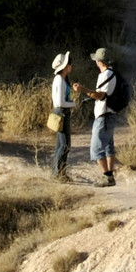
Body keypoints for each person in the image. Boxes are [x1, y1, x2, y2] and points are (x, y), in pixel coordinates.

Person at [88, 45, 124, 187]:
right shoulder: (112, 73)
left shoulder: (105, 75)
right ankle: (110, 176)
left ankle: (107, 177)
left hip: (104, 115)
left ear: (98, 61)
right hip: (110, 115)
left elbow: (100, 95)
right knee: (109, 145)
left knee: (96, 148)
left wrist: (83, 90)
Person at [49, 51, 78, 181]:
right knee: (64, 145)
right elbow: (60, 102)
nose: (71, 66)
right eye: (69, 64)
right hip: (61, 112)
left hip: (62, 112)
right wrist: (73, 104)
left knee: (61, 144)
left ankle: (58, 173)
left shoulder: (61, 79)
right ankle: (58, 174)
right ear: (65, 66)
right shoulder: (59, 79)